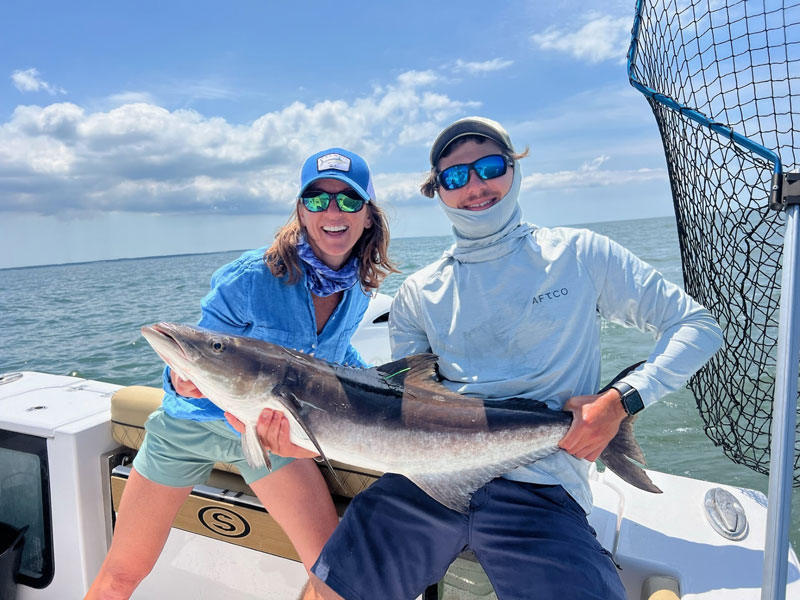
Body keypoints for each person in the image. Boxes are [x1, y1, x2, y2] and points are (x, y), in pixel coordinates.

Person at [304, 117, 723, 600]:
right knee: (324, 591)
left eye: (490, 166)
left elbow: (697, 326)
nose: (476, 186)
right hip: (427, 479)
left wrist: (621, 401)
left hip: (540, 486)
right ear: (438, 191)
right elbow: (410, 406)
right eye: (455, 177)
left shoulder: (578, 254)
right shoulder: (419, 293)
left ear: (514, 169)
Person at [86, 147, 396, 599]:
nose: (333, 211)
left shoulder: (357, 293)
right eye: (317, 199)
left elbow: (337, 353)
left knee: (334, 579)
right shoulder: (252, 276)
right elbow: (200, 351)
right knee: (122, 574)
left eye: (348, 200)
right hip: (187, 427)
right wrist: (180, 381)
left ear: (368, 215)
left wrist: (385, 392)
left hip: (272, 437)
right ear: (301, 211)